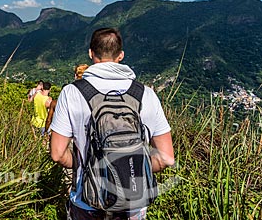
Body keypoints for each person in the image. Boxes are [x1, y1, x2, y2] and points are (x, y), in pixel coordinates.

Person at [50, 28, 175, 220]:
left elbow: (57, 154)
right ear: (121, 55)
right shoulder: (146, 94)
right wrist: (131, 168)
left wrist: (84, 166)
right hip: (133, 205)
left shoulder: (71, 93)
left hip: (86, 203)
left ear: (91, 53)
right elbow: (167, 158)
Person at [45, 64, 89, 134]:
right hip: (88, 131)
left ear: (75, 75)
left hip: (69, 131)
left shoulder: (68, 90)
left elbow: (54, 119)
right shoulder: (93, 90)